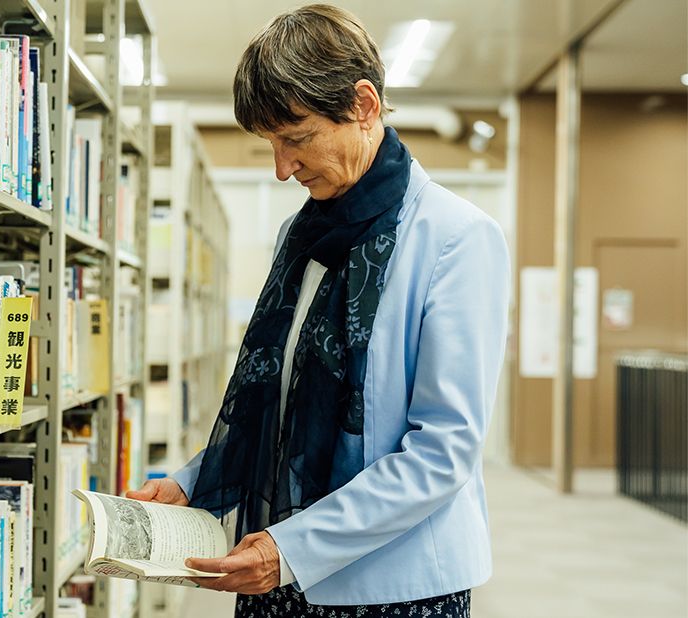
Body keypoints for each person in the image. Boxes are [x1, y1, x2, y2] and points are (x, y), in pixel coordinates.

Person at [127, 5, 509, 617]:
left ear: (363, 105)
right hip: (278, 565)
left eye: (297, 138)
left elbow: (443, 451)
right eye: (272, 144)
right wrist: (192, 483)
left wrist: (293, 548)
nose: (282, 168)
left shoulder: (455, 238)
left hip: (393, 586)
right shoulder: (299, 237)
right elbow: (276, 403)